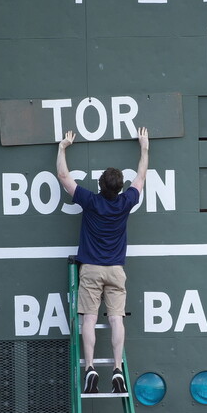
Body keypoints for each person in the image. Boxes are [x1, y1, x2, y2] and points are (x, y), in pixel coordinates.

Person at [56, 127, 149, 393]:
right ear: (121, 187)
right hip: (116, 271)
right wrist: (144, 147)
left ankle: (90, 368)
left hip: (91, 270)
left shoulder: (91, 201)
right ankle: (118, 369)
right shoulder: (126, 202)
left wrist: (62, 148)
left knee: (88, 319)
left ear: (100, 185)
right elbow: (141, 177)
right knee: (117, 319)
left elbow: (63, 176)